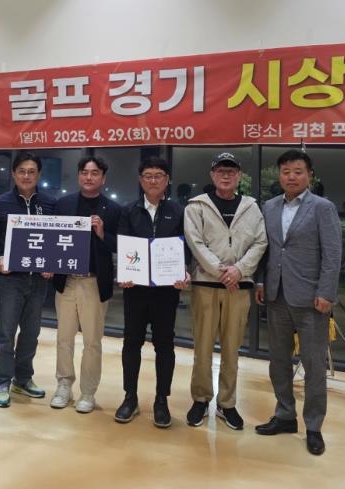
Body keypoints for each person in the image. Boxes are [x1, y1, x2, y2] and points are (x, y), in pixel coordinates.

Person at [255, 149, 342, 456]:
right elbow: (266, 249)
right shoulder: (269, 206)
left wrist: (326, 292)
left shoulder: (323, 208)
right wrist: (261, 281)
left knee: (314, 364)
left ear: (309, 175)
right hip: (277, 295)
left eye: (298, 171)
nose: (291, 177)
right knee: (278, 361)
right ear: (279, 175)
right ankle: (285, 415)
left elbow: (332, 253)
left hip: (311, 298)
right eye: (286, 171)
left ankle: (314, 426)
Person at [184, 152, 267, 430]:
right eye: (221, 170)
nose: (226, 175)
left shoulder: (252, 207)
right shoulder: (197, 206)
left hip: (238, 287)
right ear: (212, 175)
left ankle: (227, 403)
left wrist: (239, 271)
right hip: (205, 285)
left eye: (231, 171)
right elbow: (195, 242)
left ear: (239, 176)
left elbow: (260, 242)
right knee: (202, 347)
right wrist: (221, 271)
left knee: (232, 348)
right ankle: (200, 399)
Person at [114, 157, 190, 428]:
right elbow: (123, 245)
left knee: (165, 345)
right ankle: (130, 397)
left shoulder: (178, 211)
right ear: (140, 180)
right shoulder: (129, 210)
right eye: (148, 175)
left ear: (167, 180)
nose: (153, 180)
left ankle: (161, 400)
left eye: (159, 175)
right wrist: (124, 272)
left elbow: (186, 248)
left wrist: (184, 271)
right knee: (131, 343)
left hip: (166, 291)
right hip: (135, 290)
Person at [50, 156, 121, 413]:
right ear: (79, 175)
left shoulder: (113, 209)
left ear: (103, 177)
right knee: (63, 338)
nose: (89, 177)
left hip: (93, 282)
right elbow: (53, 238)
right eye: (84, 172)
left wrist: (102, 234)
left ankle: (88, 392)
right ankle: (64, 385)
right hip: (67, 281)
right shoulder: (63, 204)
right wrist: (49, 263)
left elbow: (121, 246)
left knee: (92, 341)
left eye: (94, 173)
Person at [0, 152, 56, 408]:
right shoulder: (0, 203)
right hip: (10, 280)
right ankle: (2, 381)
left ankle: (23, 379)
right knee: (6, 333)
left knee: (31, 333)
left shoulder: (49, 204)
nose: (26, 176)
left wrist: (51, 263)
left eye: (31, 171)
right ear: (14, 174)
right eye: (22, 171)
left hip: (38, 281)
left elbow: (55, 238)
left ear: (39, 174)